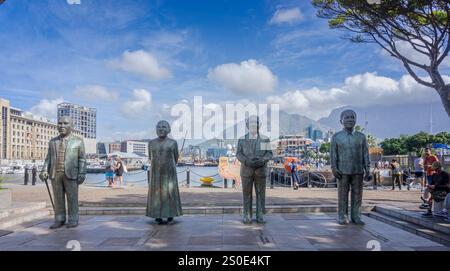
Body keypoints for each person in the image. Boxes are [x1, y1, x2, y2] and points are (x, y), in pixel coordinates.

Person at [39, 116, 86, 229]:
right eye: (60, 123)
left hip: (71, 174)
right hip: (55, 174)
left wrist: (82, 173)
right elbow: (48, 158)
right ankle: (59, 219)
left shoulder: (78, 141)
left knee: (72, 198)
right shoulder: (52, 142)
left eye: (65, 123)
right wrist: (44, 170)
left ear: (72, 126)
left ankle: (73, 219)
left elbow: (82, 159)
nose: (62, 126)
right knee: (58, 198)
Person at [330, 110, 370, 225]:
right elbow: (333, 154)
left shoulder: (361, 137)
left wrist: (367, 168)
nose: (350, 120)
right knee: (342, 194)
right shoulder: (336, 137)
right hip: (342, 170)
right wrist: (333, 167)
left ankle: (356, 216)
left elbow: (365, 154)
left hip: (358, 170)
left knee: (357, 194)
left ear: (356, 120)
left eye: (352, 117)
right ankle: (342, 216)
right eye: (347, 117)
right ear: (341, 121)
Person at [237, 115, 273, 224]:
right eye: (251, 123)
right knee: (246, 194)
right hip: (246, 170)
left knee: (261, 194)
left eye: (255, 122)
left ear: (259, 125)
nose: (253, 124)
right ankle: (247, 215)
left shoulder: (265, 139)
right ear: (247, 125)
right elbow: (238, 154)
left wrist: (262, 160)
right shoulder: (242, 140)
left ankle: (260, 215)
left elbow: (269, 153)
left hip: (260, 170)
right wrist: (247, 161)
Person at [146, 120, 182, 225]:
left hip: (169, 173)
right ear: (156, 129)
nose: (161, 129)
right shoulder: (151, 143)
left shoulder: (173, 143)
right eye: (159, 127)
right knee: (156, 194)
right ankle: (157, 215)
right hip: (155, 173)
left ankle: (171, 215)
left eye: (164, 127)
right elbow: (150, 157)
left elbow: (175, 158)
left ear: (169, 130)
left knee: (170, 193)